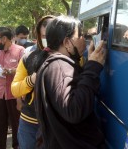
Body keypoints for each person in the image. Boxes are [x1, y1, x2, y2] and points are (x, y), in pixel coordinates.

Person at [34, 15, 107, 148]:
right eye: (80, 36)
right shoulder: (59, 67)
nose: (84, 40)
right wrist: (92, 69)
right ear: (67, 42)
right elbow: (73, 111)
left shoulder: (55, 64)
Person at [11, 15, 54, 149]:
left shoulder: (74, 58)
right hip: (30, 121)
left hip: (57, 122)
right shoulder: (29, 57)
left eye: (52, 35)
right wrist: (32, 80)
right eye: (45, 36)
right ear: (39, 35)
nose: (49, 40)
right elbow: (15, 89)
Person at [0, 27, 24, 149]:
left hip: (15, 94)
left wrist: (12, 71)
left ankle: (17, 146)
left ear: (4, 38)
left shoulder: (20, 50)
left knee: (16, 124)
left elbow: (24, 69)